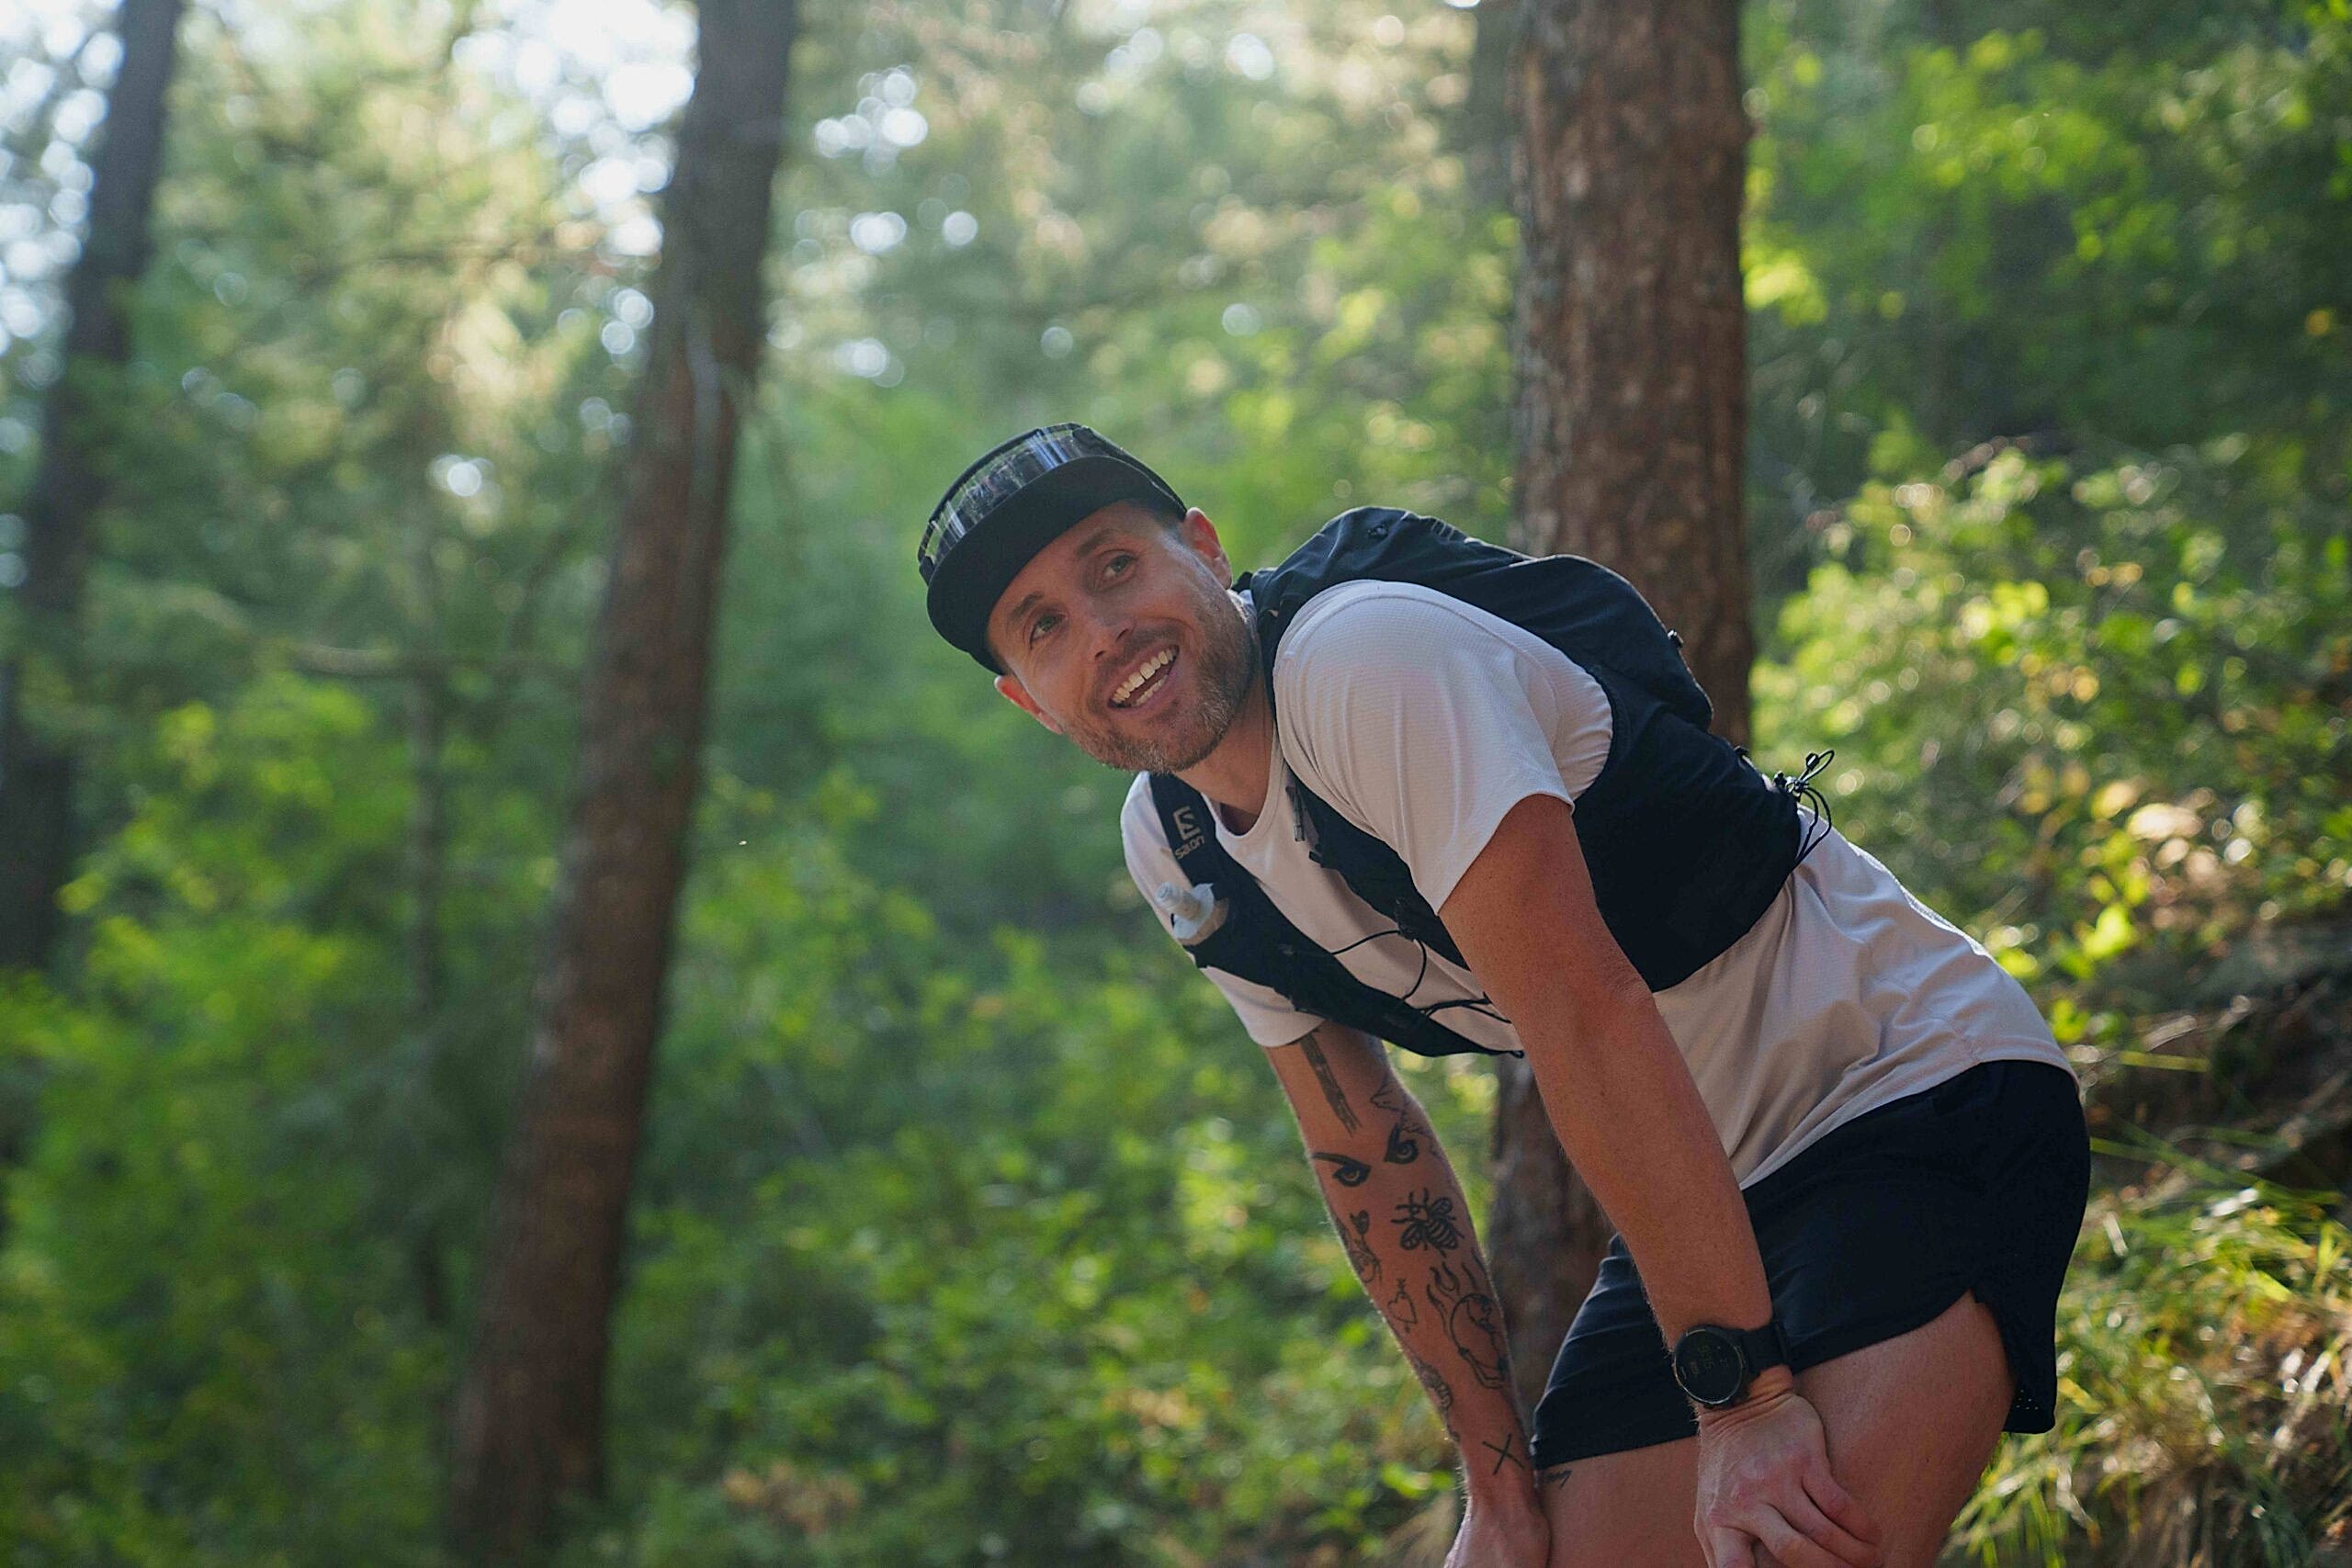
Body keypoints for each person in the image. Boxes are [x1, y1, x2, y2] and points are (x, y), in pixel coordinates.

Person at [915, 423, 2090, 1568]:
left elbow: (1585, 1011)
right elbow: (1365, 1153)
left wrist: (1742, 1405)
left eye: (1115, 566)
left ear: (1206, 550)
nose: (1106, 631)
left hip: (1898, 1086)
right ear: (1029, 698)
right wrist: (1497, 1489)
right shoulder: (1177, 847)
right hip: (1701, 1199)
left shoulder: (1363, 662)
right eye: (1044, 628)